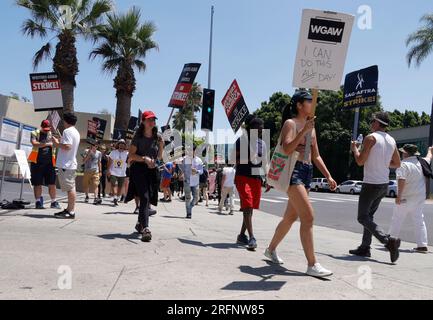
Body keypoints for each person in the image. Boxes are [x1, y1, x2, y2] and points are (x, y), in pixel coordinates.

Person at [264, 91, 337, 277]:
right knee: (308, 217)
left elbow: (316, 155)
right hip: (293, 171)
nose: (313, 103)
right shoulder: (291, 124)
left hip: (307, 172)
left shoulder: (312, 127)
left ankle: (270, 249)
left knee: (290, 217)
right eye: (309, 101)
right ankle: (312, 264)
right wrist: (303, 131)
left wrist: (328, 176)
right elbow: (287, 148)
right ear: (299, 105)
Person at [350, 112, 402, 263]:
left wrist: (355, 149)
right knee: (369, 216)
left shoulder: (371, 138)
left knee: (362, 217)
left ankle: (388, 241)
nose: (371, 123)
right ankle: (365, 247)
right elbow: (397, 163)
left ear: (378, 123)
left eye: (373, 121)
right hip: (383, 184)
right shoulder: (391, 140)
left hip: (371, 183)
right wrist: (383, 164)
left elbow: (360, 161)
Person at [127, 111, 163, 242]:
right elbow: (131, 156)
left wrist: (156, 161)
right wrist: (144, 159)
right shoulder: (138, 137)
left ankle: (139, 224)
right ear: (143, 122)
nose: (152, 122)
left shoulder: (157, 137)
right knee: (145, 197)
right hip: (138, 169)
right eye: (149, 120)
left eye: (153, 119)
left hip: (151, 171)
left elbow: (159, 155)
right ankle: (146, 229)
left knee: (147, 198)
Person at [233, 115, 268, 251]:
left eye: (261, 129)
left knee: (250, 207)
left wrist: (268, 178)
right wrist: (248, 156)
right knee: (247, 205)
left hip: (256, 177)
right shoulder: (241, 141)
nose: (260, 131)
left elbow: (265, 162)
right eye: (257, 129)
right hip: (242, 176)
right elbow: (233, 159)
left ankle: (242, 235)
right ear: (251, 128)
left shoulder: (262, 144)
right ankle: (252, 237)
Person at [389, 144, 431, 253]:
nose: (402, 154)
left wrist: (399, 196)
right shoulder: (422, 162)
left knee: (397, 219)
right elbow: (429, 157)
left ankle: (391, 242)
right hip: (419, 197)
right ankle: (422, 245)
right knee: (419, 220)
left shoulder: (403, 165)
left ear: (406, 153)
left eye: (403, 152)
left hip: (406, 197)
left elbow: (401, 180)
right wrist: (430, 150)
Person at [52, 113, 80, 219]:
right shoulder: (75, 132)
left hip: (66, 165)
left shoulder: (67, 131)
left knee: (70, 188)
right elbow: (68, 145)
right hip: (69, 164)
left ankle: (71, 211)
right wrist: (60, 141)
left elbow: (67, 146)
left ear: (66, 121)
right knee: (71, 188)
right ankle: (69, 209)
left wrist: (56, 143)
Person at [28, 120, 61, 209]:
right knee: (37, 183)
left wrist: (57, 139)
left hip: (50, 164)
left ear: (50, 127)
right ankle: (38, 202)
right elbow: (34, 143)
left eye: (48, 129)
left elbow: (58, 144)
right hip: (37, 162)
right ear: (41, 126)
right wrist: (48, 144)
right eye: (44, 129)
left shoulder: (53, 134)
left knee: (52, 184)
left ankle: (53, 202)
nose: (46, 131)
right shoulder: (34, 133)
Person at [179, 148, 203, 219]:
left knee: (196, 198)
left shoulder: (199, 160)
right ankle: (188, 213)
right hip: (187, 181)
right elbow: (181, 168)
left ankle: (189, 207)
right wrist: (181, 173)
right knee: (187, 198)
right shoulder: (185, 159)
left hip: (195, 182)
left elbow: (201, 171)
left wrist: (196, 171)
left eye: (192, 150)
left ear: (195, 151)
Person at [107, 139, 129, 206]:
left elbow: (130, 161)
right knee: (113, 185)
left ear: (125, 145)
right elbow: (109, 162)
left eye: (123, 144)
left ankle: (118, 197)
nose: (121, 145)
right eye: (120, 143)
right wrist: (108, 170)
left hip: (122, 173)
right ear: (118, 145)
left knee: (120, 186)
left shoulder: (127, 153)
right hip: (113, 172)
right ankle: (115, 197)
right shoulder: (113, 152)